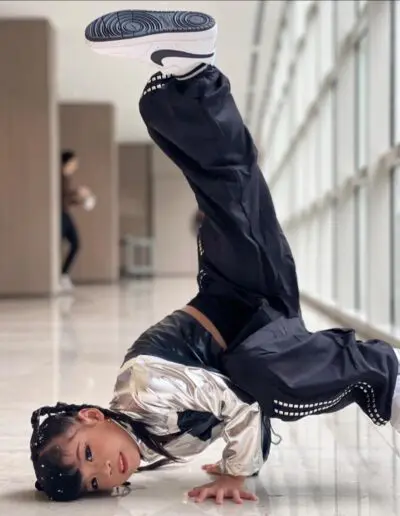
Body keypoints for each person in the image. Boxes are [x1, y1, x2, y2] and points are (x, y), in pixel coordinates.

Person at [30, 9, 400, 505]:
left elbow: (240, 404)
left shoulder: (144, 391)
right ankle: (186, 73)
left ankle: (191, 68)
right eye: (95, 481)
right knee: (226, 193)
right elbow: (237, 410)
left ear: (91, 417)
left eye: (89, 453)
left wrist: (236, 472)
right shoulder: (146, 440)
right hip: (251, 317)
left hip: (245, 300)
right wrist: (233, 460)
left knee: (230, 191)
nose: (106, 470)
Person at [61, 151, 94, 292]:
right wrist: (78, 193)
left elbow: (66, 199)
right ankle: (61, 276)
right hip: (60, 215)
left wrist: (80, 199)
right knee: (71, 243)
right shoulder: (59, 177)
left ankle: (63, 274)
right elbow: (62, 196)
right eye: (74, 163)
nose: (75, 166)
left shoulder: (66, 178)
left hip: (65, 213)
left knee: (75, 243)